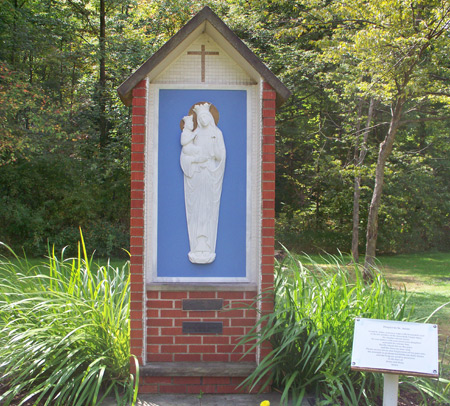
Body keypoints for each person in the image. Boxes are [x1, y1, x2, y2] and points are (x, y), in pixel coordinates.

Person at [180, 103, 226, 264]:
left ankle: (206, 241)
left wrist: (215, 153)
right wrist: (195, 160)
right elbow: (185, 154)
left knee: (208, 207)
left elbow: (221, 156)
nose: (204, 119)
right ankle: (197, 241)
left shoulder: (217, 134)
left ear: (211, 118)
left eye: (206, 116)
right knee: (197, 207)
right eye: (201, 117)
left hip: (209, 175)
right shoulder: (194, 134)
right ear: (198, 120)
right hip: (197, 176)